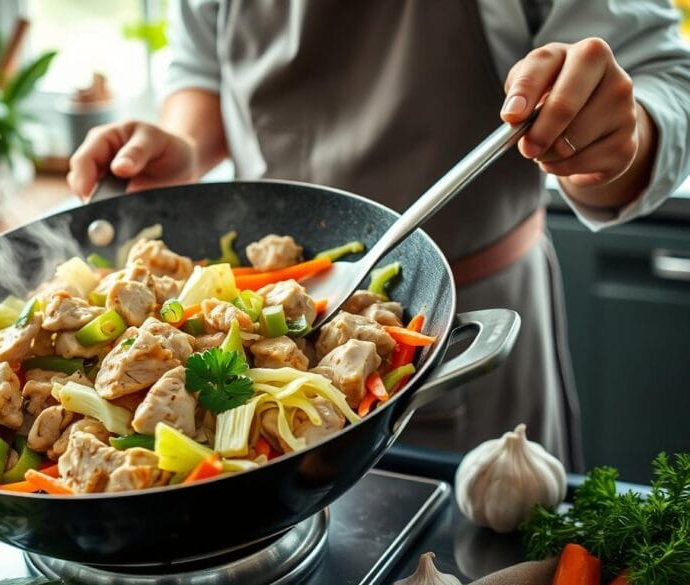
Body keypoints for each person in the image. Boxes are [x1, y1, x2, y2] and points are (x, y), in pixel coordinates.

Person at [66, 0, 690, 469]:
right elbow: (204, 63)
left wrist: (607, 138)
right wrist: (186, 147)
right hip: (270, 299)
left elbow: (662, 81)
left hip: (463, 329)